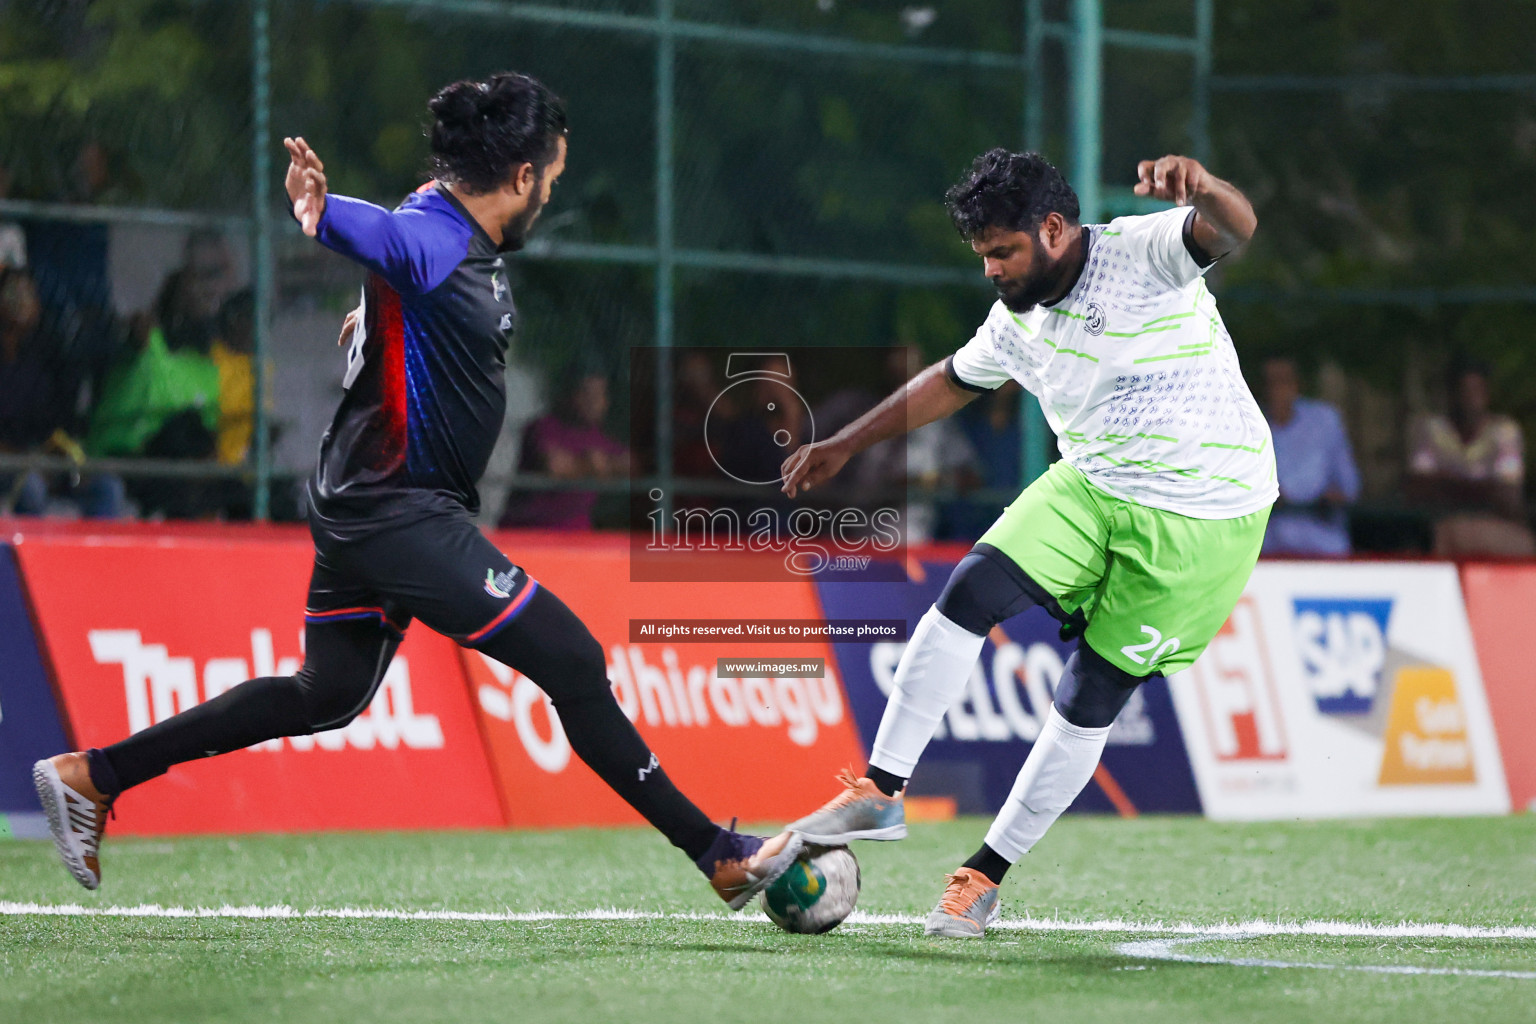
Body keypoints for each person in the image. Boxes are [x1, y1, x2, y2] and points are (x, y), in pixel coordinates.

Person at [33, 72, 801, 907]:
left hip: (365, 501)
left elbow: (399, 254)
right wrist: (323, 213)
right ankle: (717, 853)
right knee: (575, 660)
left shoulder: (447, 216)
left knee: (326, 694)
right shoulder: (435, 240)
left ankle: (94, 774)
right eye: (553, 177)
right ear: (521, 178)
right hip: (402, 511)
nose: (552, 192)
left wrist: (372, 312)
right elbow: (388, 241)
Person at [779, 149, 1272, 938]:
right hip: (1095, 485)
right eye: (982, 256)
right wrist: (845, 441)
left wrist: (1209, 185)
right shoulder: (1017, 319)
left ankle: (982, 877)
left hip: (1206, 513)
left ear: (1053, 229)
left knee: (1089, 696)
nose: (992, 271)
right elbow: (951, 378)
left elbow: (1233, 231)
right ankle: (878, 791)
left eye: (1002, 252)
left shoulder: (1140, 253)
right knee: (968, 592)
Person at [1406, 357, 1534, 557]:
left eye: (1477, 390)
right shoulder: (1431, 430)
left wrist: (1447, 483)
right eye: (1464, 391)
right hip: (1443, 528)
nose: (1470, 398)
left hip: (1497, 527)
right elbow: (1420, 487)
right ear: (1452, 394)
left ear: (1487, 393)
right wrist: (1482, 487)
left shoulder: (1505, 432)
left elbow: (1507, 494)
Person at [499, 368, 627, 530]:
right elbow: (555, 466)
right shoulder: (543, 427)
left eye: (600, 395)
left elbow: (632, 465)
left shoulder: (600, 437)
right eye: (586, 394)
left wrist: (604, 464)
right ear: (570, 395)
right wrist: (591, 464)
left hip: (577, 539)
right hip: (528, 533)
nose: (593, 402)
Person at [1261, 356, 1360, 557]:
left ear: (1297, 385)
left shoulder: (1324, 421)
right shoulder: (1248, 427)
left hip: (1322, 541)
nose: (1278, 389)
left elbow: (1349, 487)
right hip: (1265, 546)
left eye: (1285, 381)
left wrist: (1322, 498)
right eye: (1271, 383)